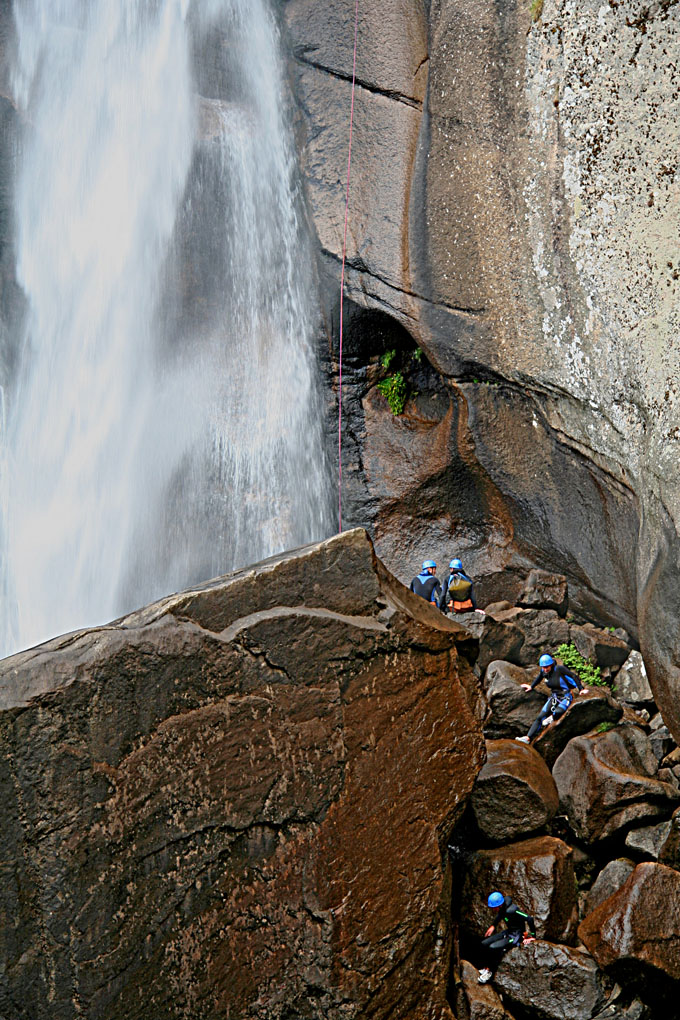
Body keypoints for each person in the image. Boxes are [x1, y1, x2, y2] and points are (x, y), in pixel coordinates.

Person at [515, 653, 588, 744]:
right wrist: (531, 687)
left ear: (551, 665)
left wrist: (581, 689)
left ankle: (552, 718)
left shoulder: (559, 669)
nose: (545, 669)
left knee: (558, 712)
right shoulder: (544, 672)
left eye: (547, 667)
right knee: (540, 716)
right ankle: (528, 738)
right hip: (554, 697)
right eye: (543, 667)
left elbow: (573, 676)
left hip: (566, 696)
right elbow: (539, 678)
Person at [478, 890, 536, 984]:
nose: (493, 909)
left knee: (493, 947)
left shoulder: (513, 910)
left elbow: (529, 918)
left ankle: (490, 972)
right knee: (484, 943)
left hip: (516, 936)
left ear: (499, 905)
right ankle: (486, 967)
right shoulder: (502, 908)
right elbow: (500, 915)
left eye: (494, 907)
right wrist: (493, 925)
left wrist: (533, 937)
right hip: (509, 932)